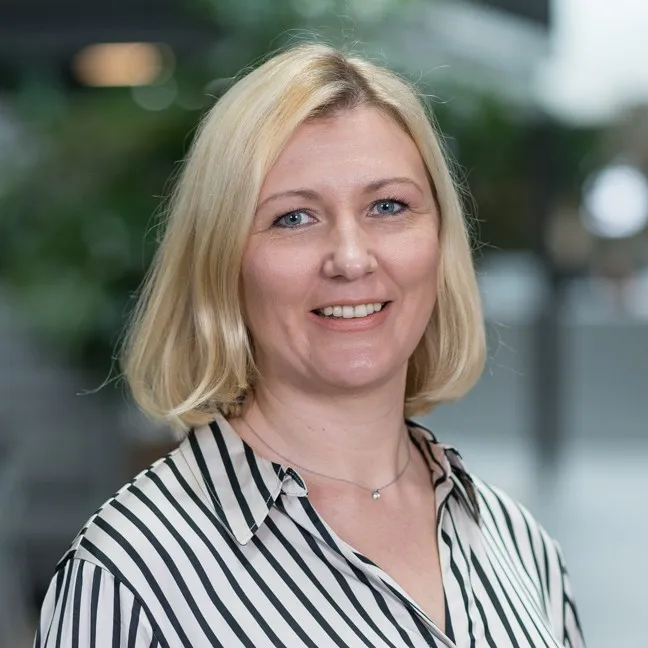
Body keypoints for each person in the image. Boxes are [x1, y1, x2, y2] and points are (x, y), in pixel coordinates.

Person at [35, 43, 585, 648]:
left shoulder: (522, 547)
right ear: (223, 262)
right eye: (294, 218)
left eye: (388, 206)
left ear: (439, 243)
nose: (351, 259)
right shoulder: (129, 577)